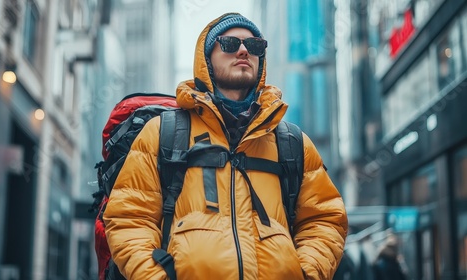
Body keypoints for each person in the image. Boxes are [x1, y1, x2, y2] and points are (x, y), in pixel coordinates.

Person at [103, 12, 348, 279]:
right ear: (206, 59)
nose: (243, 50)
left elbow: (325, 219)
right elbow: (129, 218)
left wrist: (305, 273)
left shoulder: (291, 142)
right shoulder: (163, 132)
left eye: (254, 45)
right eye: (230, 44)